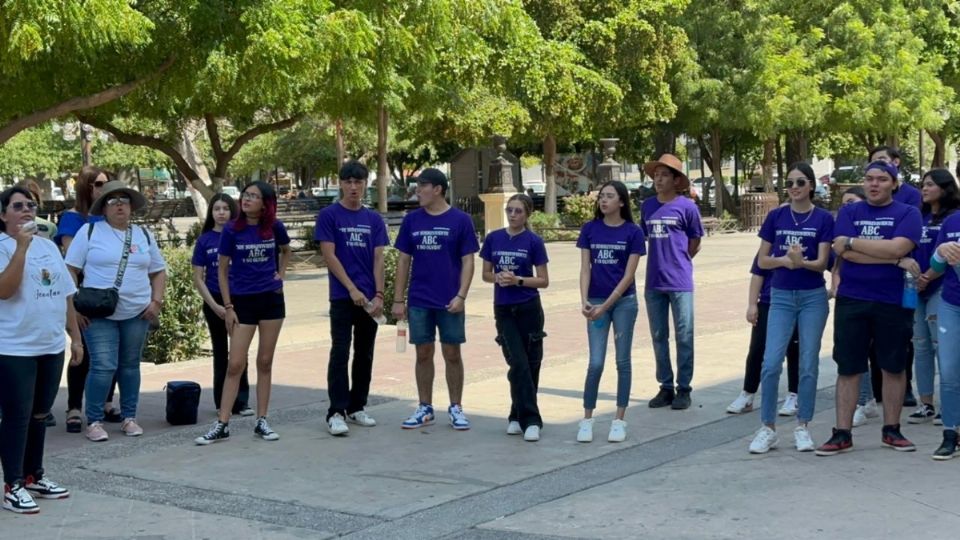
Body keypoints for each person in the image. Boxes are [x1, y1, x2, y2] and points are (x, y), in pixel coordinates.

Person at [816, 161, 921, 456]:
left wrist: (854, 243)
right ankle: (842, 433)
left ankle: (892, 430)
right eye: (869, 179)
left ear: (893, 184)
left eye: (882, 179)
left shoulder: (908, 213)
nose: (874, 184)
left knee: (893, 366)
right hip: (853, 298)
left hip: (892, 301)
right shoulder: (850, 211)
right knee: (849, 367)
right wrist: (892, 260)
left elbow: (898, 247)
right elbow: (845, 253)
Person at [0, 186, 83, 513]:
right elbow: (5, 291)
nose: (26, 211)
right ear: (3, 214)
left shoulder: (48, 247)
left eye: (30, 206)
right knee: (17, 416)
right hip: (14, 347)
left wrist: (74, 337)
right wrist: (21, 247)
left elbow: (66, 294)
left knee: (39, 414)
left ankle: (34, 475)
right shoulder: (5, 246)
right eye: (17, 206)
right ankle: (13, 484)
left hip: (50, 345)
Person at [64, 181, 167, 442]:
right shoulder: (89, 232)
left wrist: (155, 302)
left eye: (124, 199)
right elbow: (70, 271)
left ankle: (129, 417)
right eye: (112, 200)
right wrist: (74, 307)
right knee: (103, 366)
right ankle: (95, 420)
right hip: (98, 314)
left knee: (130, 366)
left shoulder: (143, 234)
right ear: (104, 207)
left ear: (131, 206)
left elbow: (158, 270)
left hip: (137, 313)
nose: (119, 204)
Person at [195, 181, 291, 445]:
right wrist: (228, 307)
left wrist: (280, 276)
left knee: (265, 361)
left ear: (265, 203)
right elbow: (222, 271)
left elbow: (286, 250)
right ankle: (222, 423)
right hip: (242, 303)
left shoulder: (274, 227)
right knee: (235, 363)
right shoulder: (231, 230)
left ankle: (262, 420)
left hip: (271, 301)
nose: (246, 200)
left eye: (253, 196)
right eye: (245, 195)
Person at [747, 163, 833, 453]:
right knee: (771, 363)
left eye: (800, 182)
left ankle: (802, 425)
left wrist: (802, 263)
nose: (794, 187)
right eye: (790, 183)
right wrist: (785, 260)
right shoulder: (776, 216)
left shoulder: (822, 218)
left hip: (812, 296)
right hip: (781, 296)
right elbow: (762, 260)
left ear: (811, 186)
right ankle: (767, 427)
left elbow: (822, 263)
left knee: (808, 363)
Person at [392, 168, 479, 430]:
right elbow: (404, 260)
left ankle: (456, 407)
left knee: (452, 352)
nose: (417, 191)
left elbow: (468, 261)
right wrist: (398, 299)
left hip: (450, 300)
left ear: (438, 189)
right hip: (420, 300)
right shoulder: (412, 220)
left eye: (422, 186)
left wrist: (461, 295)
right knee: (423, 352)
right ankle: (424, 407)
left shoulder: (460, 220)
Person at [315, 161, 388, 436]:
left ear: (365, 183)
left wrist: (379, 293)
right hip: (343, 297)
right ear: (341, 184)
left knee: (365, 353)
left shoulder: (373, 220)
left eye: (359, 182)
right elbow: (329, 255)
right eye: (348, 182)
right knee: (340, 352)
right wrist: (351, 289)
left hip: (370, 299)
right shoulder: (329, 215)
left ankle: (358, 406)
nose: (354, 187)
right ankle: (336, 411)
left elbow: (378, 257)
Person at [575, 181, 645, 443]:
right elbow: (585, 269)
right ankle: (587, 419)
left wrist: (606, 306)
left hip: (623, 303)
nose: (604, 201)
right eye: (601, 197)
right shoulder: (590, 229)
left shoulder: (633, 232)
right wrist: (584, 300)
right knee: (595, 362)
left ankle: (619, 420)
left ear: (622, 202)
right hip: (594, 300)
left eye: (610, 196)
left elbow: (629, 275)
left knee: (622, 361)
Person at [480, 194, 549, 442]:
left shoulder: (534, 242)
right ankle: (531, 418)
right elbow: (485, 274)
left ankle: (517, 415)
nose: (512, 215)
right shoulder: (493, 238)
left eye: (518, 211)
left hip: (528, 306)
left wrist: (518, 280)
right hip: (504, 308)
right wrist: (497, 277)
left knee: (530, 363)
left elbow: (543, 280)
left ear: (527, 214)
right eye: (510, 210)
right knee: (517, 363)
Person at [56, 167, 119, 433]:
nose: (104, 188)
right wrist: (73, 306)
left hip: (109, 298)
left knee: (109, 352)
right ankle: (74, 408)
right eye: (99, 184)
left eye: (107, 183)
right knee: (82, 351)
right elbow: (72, 263)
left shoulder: (109, 220)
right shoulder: (74, 219)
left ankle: (105, 401)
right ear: (86, 187)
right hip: (82, 296)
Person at [640, 154, 704, 410]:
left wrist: (679, 260)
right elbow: (644, 238)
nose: (658, 179)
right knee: (658, 335)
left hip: (679, 281)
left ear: (677, 180)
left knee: (684, 335)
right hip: (653, 282)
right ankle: (665, 387)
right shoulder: (647, 206)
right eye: (656, 175)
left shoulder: (687, 207)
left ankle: (684, 388)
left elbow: (695, 241)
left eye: (664, 175)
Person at [191, 193, 253, 418]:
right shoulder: (205, 240)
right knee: (220, 353)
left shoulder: (241, 236)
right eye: (216, 208)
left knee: (240, 352)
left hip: (239, 301)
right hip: (214, 301)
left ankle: (242, 401)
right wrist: (215, 305)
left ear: (232, 211)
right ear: (211, 213)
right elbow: (198, 278)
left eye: (225, 208)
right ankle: (222, 402)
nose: (221, 213)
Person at [907, 169, 960, 425]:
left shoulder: (952, 218)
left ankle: (945, 405)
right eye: (922, 184)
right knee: (920, 345)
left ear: (945, 187)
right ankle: (925, 403)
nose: (924, 189)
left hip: (940, 287)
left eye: (930, 184)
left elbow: (944, 259)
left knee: (942, 346)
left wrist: (927, 276)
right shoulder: (919, 216)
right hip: (914, 288)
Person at [871, 145, 920, 407]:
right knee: (871, 339)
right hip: (872, 278)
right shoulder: (866, 202)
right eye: (872, 165)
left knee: (903, 335)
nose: (877, 172)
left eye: (882, 162)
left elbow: (902, 238)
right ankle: (877, 388)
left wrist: (885, 246)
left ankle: (906, 386)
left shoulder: (911, 197)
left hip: (904, 278)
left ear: (896, 164)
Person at [726, 256, 800, 415]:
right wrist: (752, 304)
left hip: (795, 302)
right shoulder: (770, 244)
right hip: (768, 302)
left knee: (794, 350)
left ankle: (794, 395)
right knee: (757, 349)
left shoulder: (808, 237)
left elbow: (829, 263)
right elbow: (758, 273)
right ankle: (748, 393)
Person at [928, 205, 960, 459]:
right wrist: (940, 252)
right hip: (951, 303)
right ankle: (950, 433)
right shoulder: (952, 223)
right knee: (948, 370)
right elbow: (936, 267)